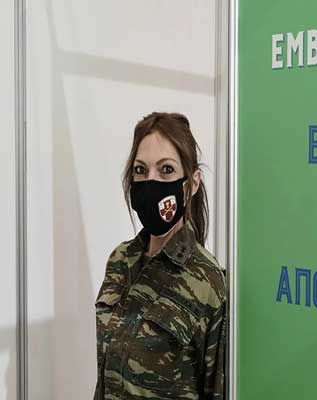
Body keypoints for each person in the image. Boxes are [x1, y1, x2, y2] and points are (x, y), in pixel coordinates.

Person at [93, 112, 227, 399]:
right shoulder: (119, 261)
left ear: (192, 183)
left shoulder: (208, 282)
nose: (150, 181)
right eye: (141, 170)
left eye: (166, 170)